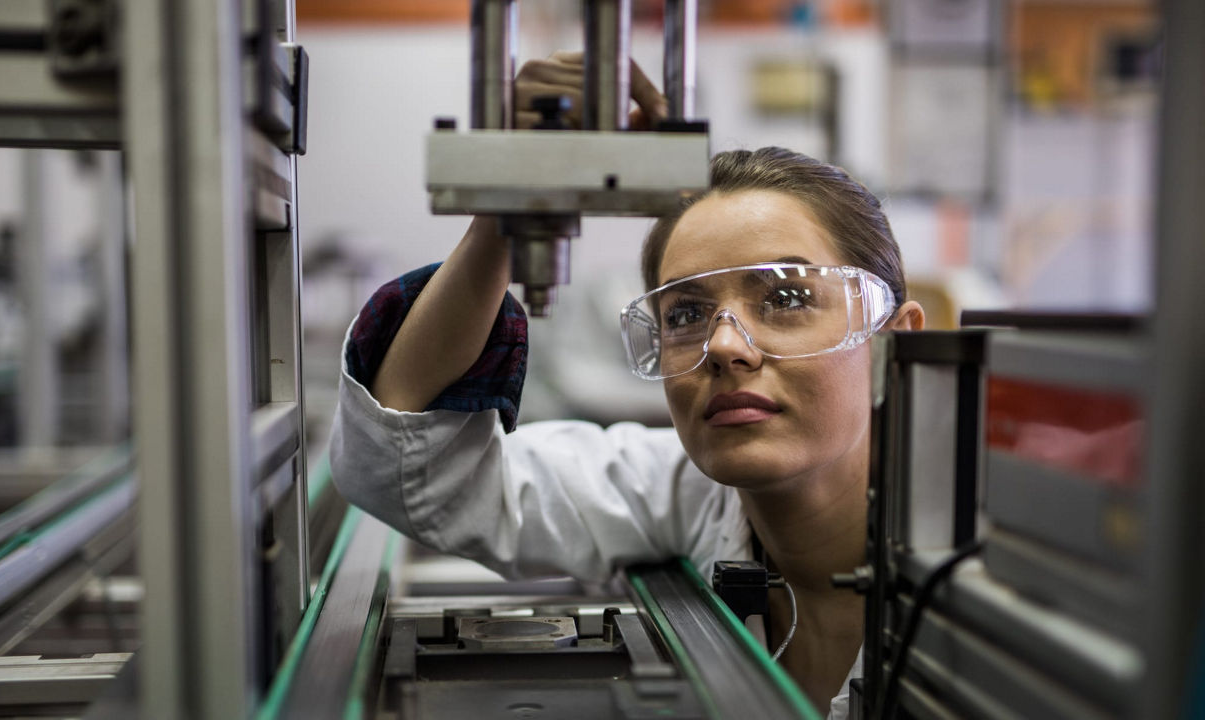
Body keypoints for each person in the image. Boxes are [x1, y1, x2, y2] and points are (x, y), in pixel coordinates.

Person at [329, 53, 925, 719]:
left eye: (786, 297)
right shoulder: (688, 494)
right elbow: (405, 469)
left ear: (894, 345)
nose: (725, 346)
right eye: (687, 314)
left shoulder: (992, 572)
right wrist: (505, 209)